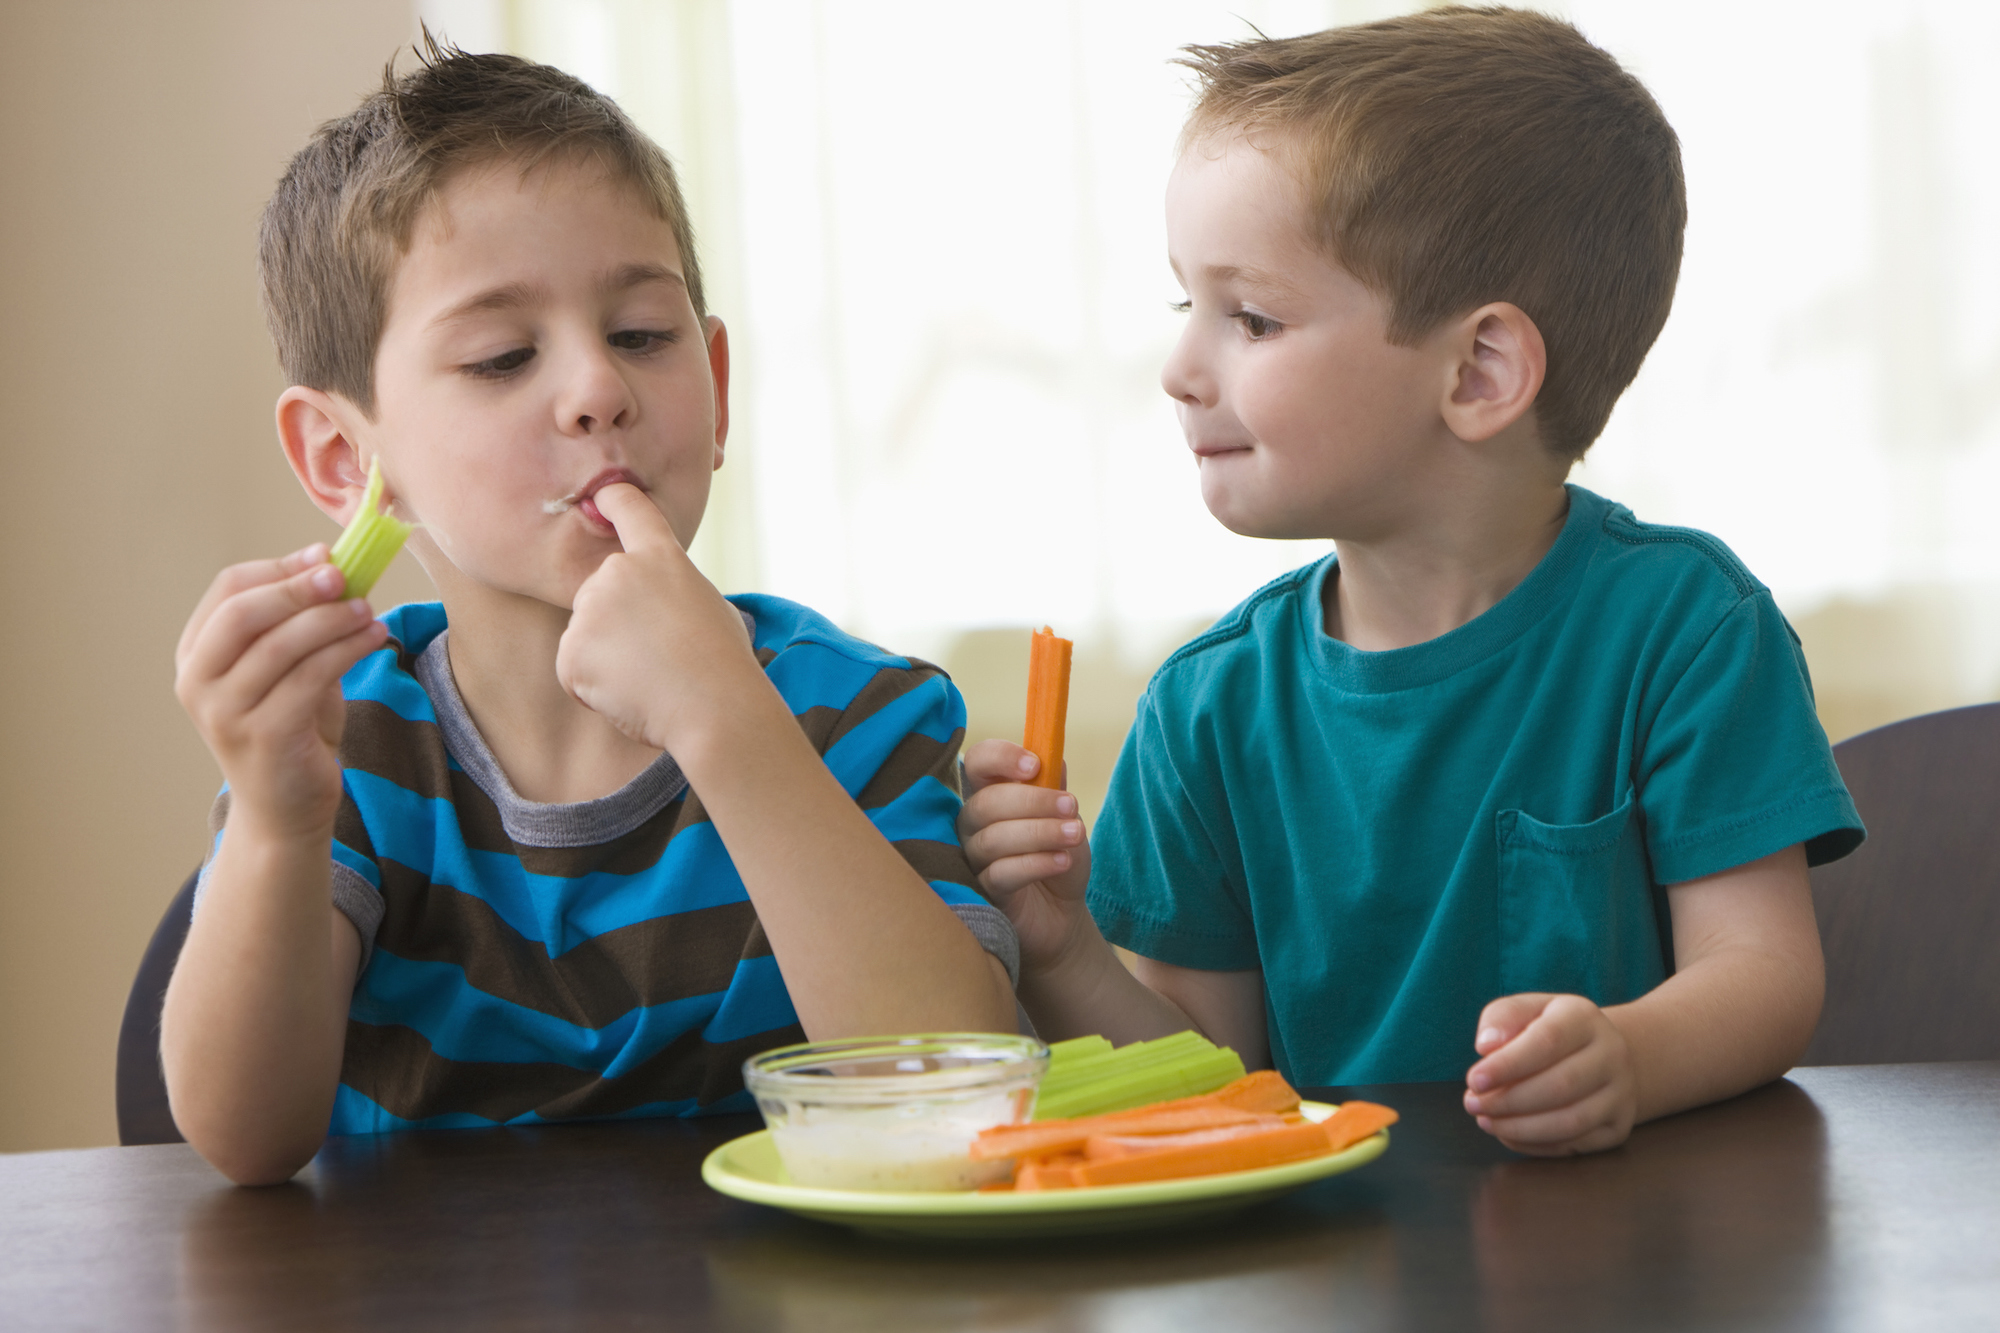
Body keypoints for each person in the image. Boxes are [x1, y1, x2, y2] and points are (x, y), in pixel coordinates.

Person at [958, 7, 1862, 1157]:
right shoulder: (1204, 710)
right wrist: (1061, 950)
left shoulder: (1684, 632)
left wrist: (1628, 1056)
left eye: (1250, 316)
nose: (1181, 370)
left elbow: (1764, 972)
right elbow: (1204, 1077)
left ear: (1478, 370)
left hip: (1628, 1263)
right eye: (1185, 306)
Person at [165, 39, 1018, 1186]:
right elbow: (243, 1138)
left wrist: (726, 719)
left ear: (714, 387)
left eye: (640, 336)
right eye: (502, 355)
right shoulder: (349, 751)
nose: (597, 392)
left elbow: (944, 1095)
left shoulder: (860, 712)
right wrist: (273, 818)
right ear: (342, 456)